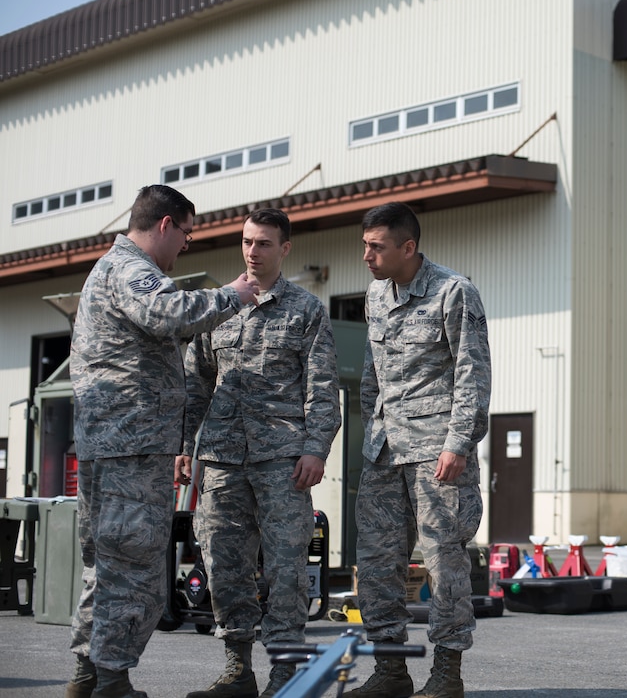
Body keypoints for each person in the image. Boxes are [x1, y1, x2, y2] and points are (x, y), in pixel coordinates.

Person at [66, 185, 260, 698]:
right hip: (130, 446)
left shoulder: (110, 268)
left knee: (106, 564)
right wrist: (232, 297)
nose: (187, 246)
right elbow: (170, 313)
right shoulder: (131, 269)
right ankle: (111, 680)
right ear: (166, 224)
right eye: (188, 234)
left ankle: (88, 675)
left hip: (115, 443)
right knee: (133, 564)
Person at [178, 208, 342, 698]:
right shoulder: (218, 307)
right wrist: (187, 447)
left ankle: (287, 674)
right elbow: (195, 384)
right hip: (223, 461)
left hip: (282, 463)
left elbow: (323, 389)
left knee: (287, 570)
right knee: (224, 565)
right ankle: (237, 670)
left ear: (284, 249)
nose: (253, 251)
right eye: (247, 241)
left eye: (264, 243)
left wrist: (316, 449)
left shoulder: (306, 310)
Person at [346, 202, 491, 698]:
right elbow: (373, 373)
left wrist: (457, 443)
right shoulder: (375, 295)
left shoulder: (454, 291)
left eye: (376, 246)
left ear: (408, 247)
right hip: (384, 453)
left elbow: (473, 373)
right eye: (365, 244)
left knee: (443, 563)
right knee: (378, 562)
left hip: (437, 455)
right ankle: (390, 671)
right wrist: (371, 430)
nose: (366, 254)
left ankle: (447, 673)